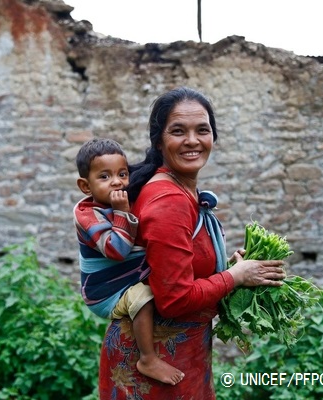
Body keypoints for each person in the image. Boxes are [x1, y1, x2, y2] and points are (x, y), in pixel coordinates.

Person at [98, 87, 287, 399]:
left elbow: (175, 270)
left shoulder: (181, 191)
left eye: (202, 129)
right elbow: (174, 299)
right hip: (155, 363)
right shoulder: (169, 200)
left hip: (179, 353)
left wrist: (233, 270)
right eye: (178, 131)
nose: (192, 140)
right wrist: (235, 276)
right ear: (159, 141)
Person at [74, 138, 185, 385]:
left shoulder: (120, 200)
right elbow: (118, 251)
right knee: (143, 297)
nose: (116, 181)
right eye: (104, 177)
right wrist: (123, 213)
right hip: (105, 291)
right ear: (85, 185)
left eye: (122, 174)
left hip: (123, 279)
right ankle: (147, 359)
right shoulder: (88, 217)